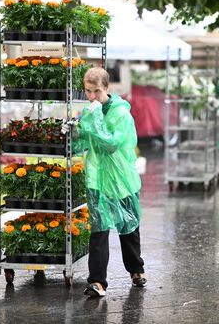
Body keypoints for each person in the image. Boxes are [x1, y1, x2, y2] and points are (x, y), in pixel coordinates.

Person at [62, 67, 146, 297]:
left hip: (121, 179)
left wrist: (95, 116)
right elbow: (87, 143)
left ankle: (136, 269)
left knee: (128, 225)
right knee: (99, 229)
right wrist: (73, 133)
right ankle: (97, 282)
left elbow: (111, 144)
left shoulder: (120, 113)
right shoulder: (91, 111)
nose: (91, 96)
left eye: (96, 91)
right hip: (98, 178)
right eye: (88, 91)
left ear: (107, 88)